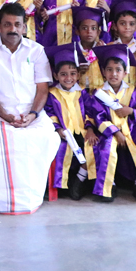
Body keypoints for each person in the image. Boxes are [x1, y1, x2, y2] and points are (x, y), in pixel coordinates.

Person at [0, 4, 61, 213]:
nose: (12, 29)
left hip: (32, 113)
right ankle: (4, 201)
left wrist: (32, 114)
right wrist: (6, 116)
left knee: (46, 138)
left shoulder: (36, 51)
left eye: (17, 24)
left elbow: (42, 89)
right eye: (7, 24)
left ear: (24, 26)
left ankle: (31, 197)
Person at [86, 44, 136, 202]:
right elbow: (98, 117)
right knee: (106, 150)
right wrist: (116, 133)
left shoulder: (134, 91)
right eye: (109, 70)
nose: (114, 74)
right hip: (109, 132)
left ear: (125, 73)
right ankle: (109, 186)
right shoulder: (99, 93)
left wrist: (131, 111)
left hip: (132, 130)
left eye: (118, 70)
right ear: (103, 72)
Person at [44, 43, 96, 201]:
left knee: (93, 148)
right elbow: (49, 113)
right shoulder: (52, 93)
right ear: (55, 76)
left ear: (78, 75)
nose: (68, 78)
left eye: (73, 74)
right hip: (64, 134)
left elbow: (90, 112)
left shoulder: (82, 93)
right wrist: (58, 128)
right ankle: (62, 186)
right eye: (63, 74)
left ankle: (79, 180)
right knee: (62, 149)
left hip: (82, 131)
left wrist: (90, 129)